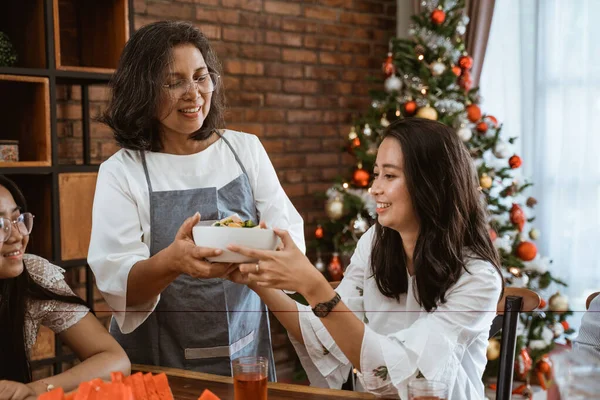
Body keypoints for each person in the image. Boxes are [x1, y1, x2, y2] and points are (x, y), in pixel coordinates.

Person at [227, 118, 504, 399]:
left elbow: (398, 376)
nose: (374, 189)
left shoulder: (478, 278)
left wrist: (314, 285)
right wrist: (253, 278)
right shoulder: (375, 242)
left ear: (431, 184)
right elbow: (324, 335)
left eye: (390, 176)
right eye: (376, 174)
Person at [87, 20, 304, 379]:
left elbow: (289, 239)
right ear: (142, 90)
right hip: (156, 366)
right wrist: (174, 261)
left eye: (202, 77)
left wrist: (259, 257)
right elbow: (118, 283)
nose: (194, 93)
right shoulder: (121, 172)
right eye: (174, 82)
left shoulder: (244, 149)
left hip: (244, 354)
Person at [0, 175, 130, 400]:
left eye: (17, 219)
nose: (18, 235)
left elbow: (115, 361)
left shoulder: (32, 276)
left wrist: (35, 389)